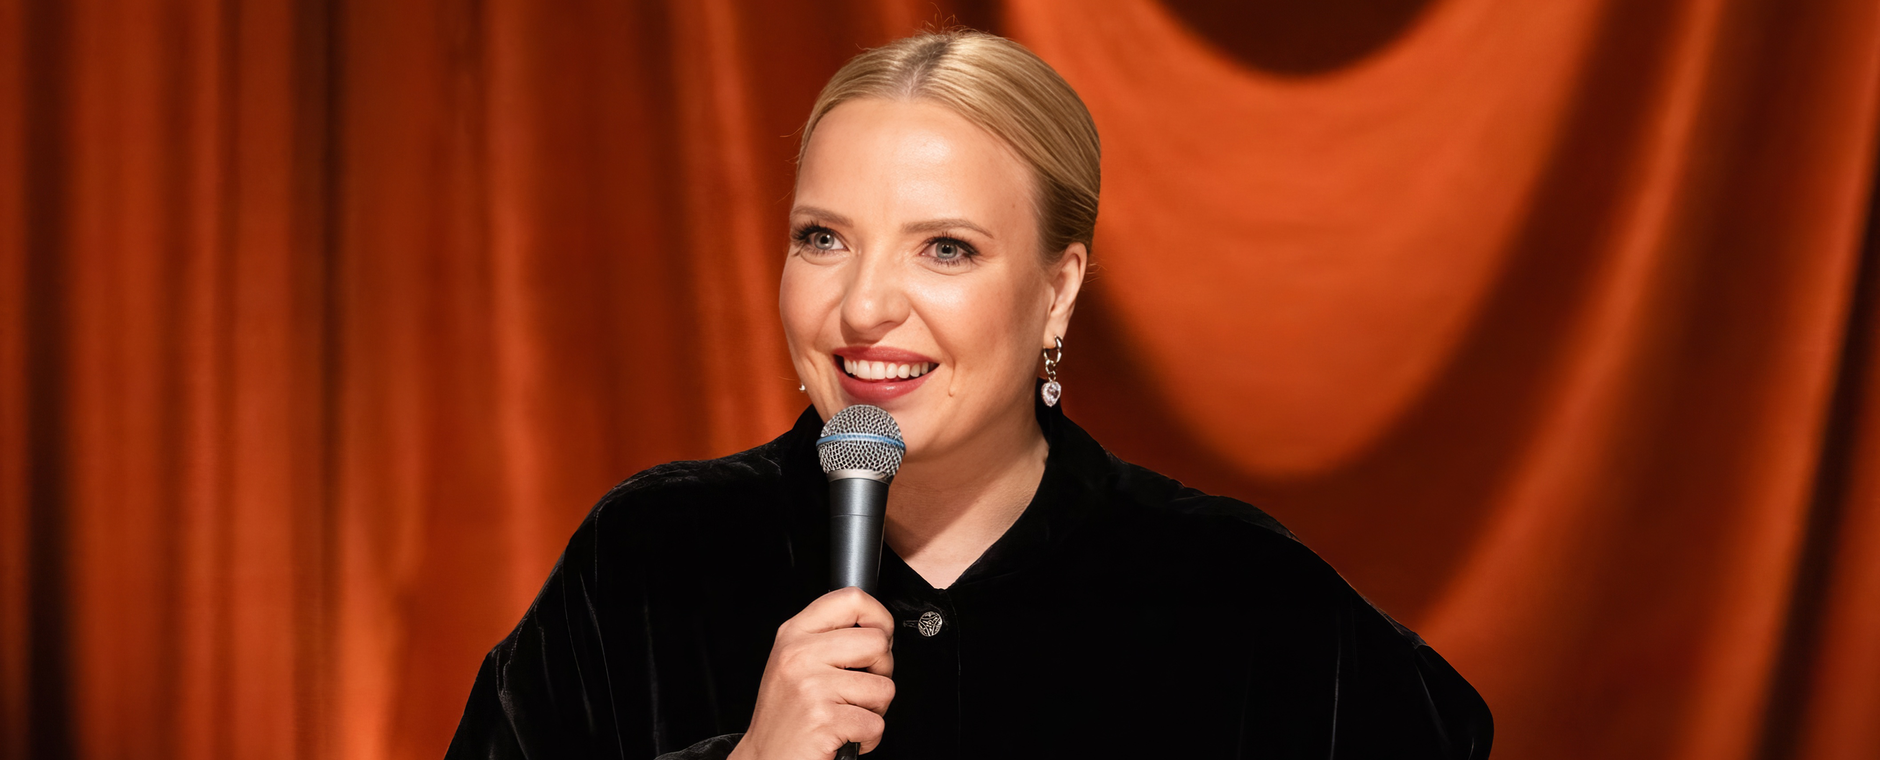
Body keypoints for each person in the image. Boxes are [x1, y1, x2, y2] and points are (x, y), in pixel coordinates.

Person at [445, 29, 1491, 760]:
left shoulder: (1232, 594)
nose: (863, 305)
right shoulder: (647, 562)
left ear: (1057, 290)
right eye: (823, 238)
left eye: (944, 248)